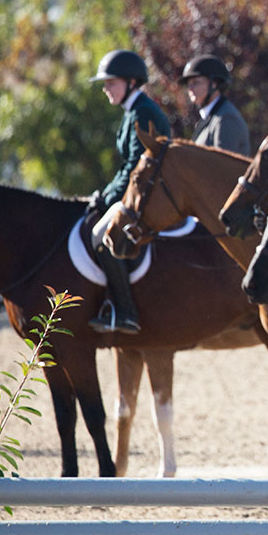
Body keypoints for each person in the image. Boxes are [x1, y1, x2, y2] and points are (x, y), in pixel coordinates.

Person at [86, 49, 171, 333]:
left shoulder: (143, 112)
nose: (105, 88)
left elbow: (137, 165)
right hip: (136, 189)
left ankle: (126, 312)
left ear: (132, 82)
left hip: (148, 195)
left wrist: (108, 198)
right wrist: (105, 194)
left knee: (101, 235)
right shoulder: (133, 110)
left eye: (111, 82)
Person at [177, 54, 250, 155]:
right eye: (188, 85)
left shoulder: (226, 118)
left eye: (196, 82)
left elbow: (223, 166)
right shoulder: (210, 117)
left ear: (214, 83)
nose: (190, 88)